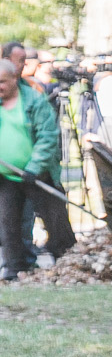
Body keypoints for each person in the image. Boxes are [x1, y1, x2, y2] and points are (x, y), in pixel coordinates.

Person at [0, 60, 72, 280]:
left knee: (54, 219)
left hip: (37, 173)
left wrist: (33, 168)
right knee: (8, 223)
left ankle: (68, 260)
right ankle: (16, 268)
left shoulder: (33, 100)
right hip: (6, 176)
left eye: (2, 82)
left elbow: (47, 136)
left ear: (15, 79)